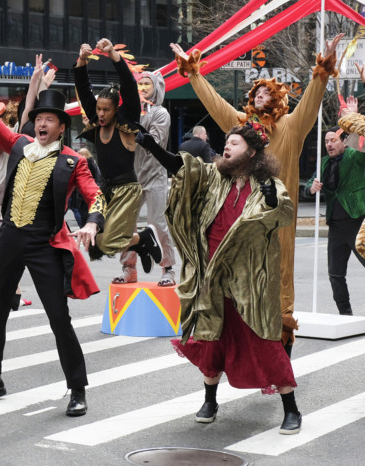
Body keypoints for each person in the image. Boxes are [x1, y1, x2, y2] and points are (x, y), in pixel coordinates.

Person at [170, 33, 344, 353]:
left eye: (268, 90)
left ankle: (281, 349)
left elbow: (310, 101)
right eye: (257, 90)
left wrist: (323, 69)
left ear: (277, 98)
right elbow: (215, 103)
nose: (261, 93)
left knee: (279, 282)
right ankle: (238, 344)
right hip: (241, 219)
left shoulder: (291, 127)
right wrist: (193, 72)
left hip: (277, 221)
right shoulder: (242, 127)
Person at [0, 52, 106, 417]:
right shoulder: (20, 145)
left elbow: (95, 194)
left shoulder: (74, 161)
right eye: (39, 117)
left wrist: (92, 222)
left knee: (59, 316)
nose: (41, 123)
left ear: (60, 127)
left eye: (49, 119)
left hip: (44, 243)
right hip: (10, 237)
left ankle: (77, 388)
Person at [137, 123, 301, 435]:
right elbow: (183, 168)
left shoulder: (267, 182)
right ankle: (210, 401)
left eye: (235, 143)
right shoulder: (214, 176)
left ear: (251, 152)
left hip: (249, 280)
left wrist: (270, 200)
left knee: (264, 342)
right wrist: (153, 147)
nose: (227, 147)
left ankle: (291, 409)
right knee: (211, 339)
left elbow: (285, 212)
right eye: (226, 142)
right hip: (211, 276)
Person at [74, 39, 162, 277]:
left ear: (116, 109)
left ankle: (144, 237)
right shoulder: (96, 118)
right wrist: (82, 60)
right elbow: (83, 89)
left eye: (106, 110)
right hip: (106, 189)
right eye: (99, 109)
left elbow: (128, 86)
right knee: (93, 246)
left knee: (106, 243)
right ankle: (140, 243)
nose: (100, 114)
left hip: (127, 190)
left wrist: (112, 53)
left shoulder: (126, 121)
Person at [305, 124, 365, 316]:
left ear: (344, 141)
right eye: (326, 141)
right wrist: (311, 188)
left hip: (358, 221)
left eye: (333, 140)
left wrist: (354, 121)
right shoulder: (322, 163)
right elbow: (308, 184)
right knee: (335, 274)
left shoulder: (355, 157)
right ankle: (345, 315)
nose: (329, 144)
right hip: (336, 226)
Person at [127, 69, 178, 286]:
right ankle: (128, 267)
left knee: (157, 223)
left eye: (147, 83)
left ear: (156, 87)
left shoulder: (160, 113)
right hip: (132, 177)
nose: (143, 87)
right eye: (140, 84)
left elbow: (154, 142)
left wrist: (138, 132)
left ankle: (168, 269)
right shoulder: (130, 112)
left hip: (156, 175)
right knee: (125, 223)